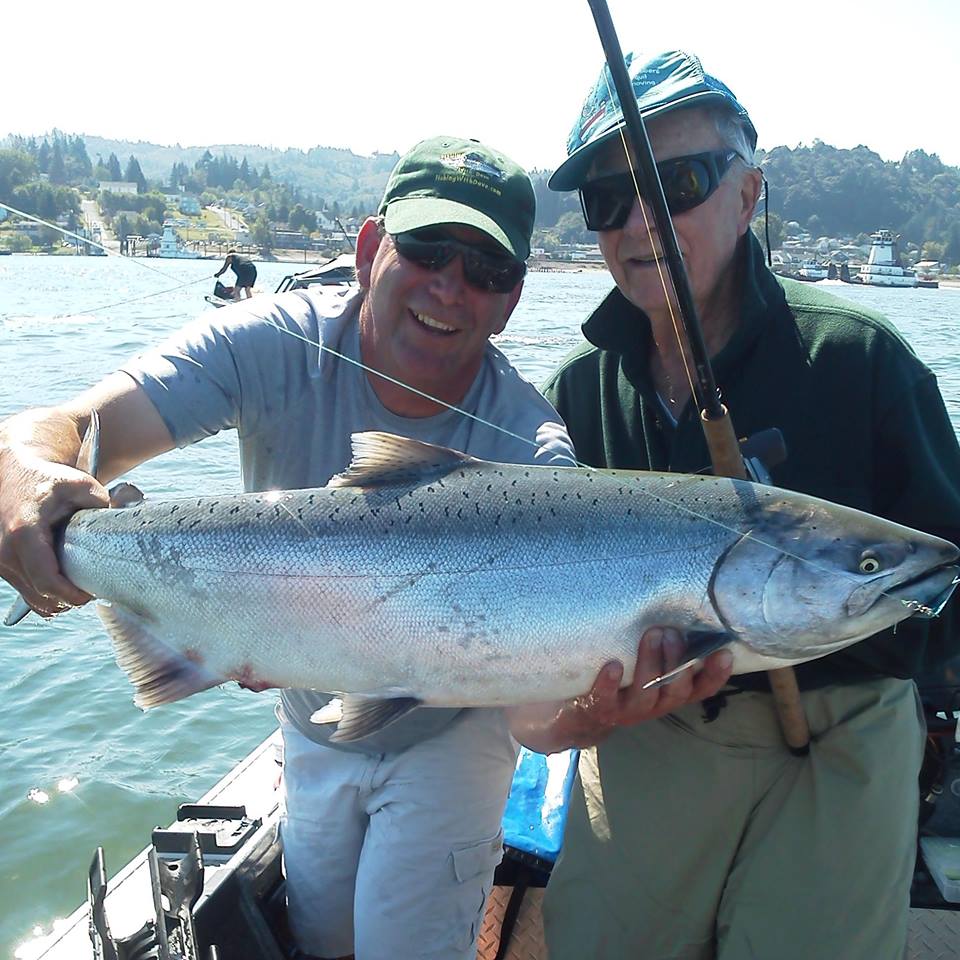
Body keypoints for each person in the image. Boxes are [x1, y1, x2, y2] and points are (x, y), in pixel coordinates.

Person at [0, 133, 731, 960]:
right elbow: (78, 427)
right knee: (320, 934)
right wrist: (22, 475)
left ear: (513, 299)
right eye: (427, 251)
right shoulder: (270, 340)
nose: (450, 289)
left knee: (403, 942)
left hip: (454, 735)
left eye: (486, 270)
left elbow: (529, 713)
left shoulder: (534, 449)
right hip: (313, 719)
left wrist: (588, 715)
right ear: (368, 248)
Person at [509, 50, 960, 960]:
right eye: (607, 200)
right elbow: (537, 689)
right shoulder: (577, 393)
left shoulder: (860, 362)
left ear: (750, 193)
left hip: (844, 723)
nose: (639, 221)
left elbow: (945, 573)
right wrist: (587, 715)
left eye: (675, 183)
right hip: (656, 726)